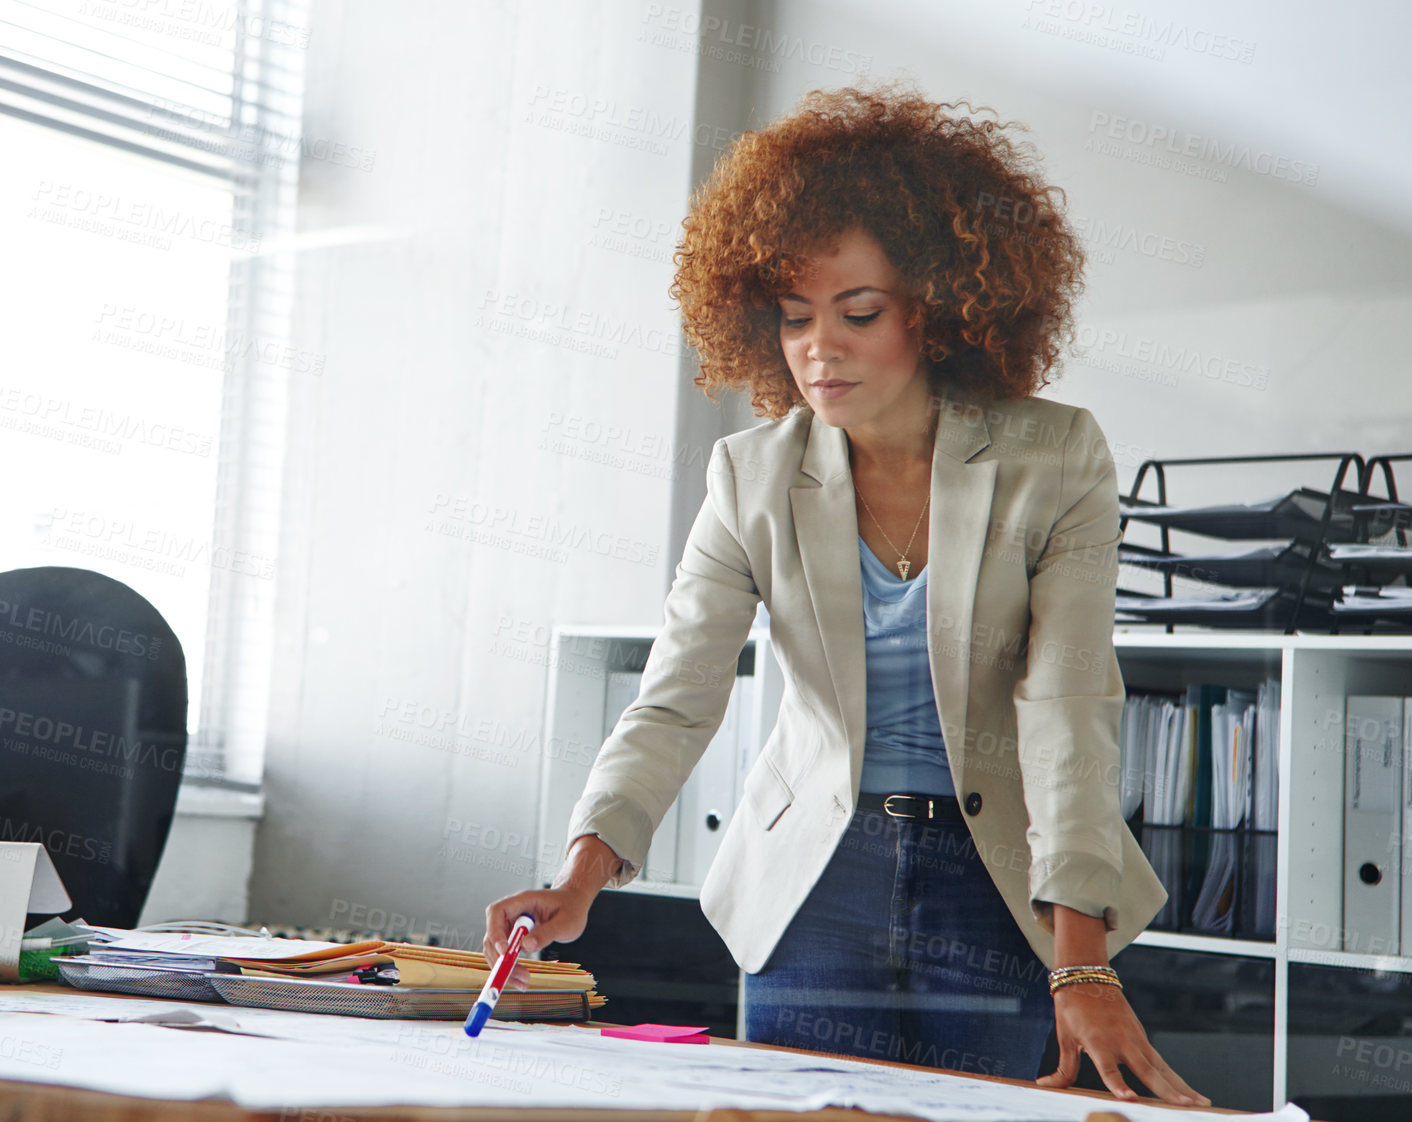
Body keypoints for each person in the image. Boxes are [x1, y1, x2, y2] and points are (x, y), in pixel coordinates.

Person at [482, 83, 1210, 1107]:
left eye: (857, 312)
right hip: (815, 882)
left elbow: (1066, 704)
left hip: (997, 876)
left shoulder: (1054, 456)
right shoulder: (751, 474)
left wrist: (1078, 955)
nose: (819, 346)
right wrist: (578, 876)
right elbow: (678, 693)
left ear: (938, 307)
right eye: (792, 318)